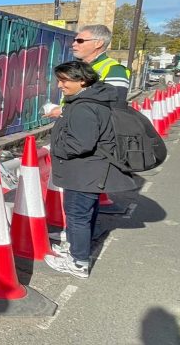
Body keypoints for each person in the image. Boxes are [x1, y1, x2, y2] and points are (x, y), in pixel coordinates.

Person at [43, 61, 139, 278]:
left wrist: (56, 149)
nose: (60, 85)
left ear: (82, 80)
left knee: (77, 215)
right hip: (91, 171)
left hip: (83, 171)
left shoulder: (83, 107)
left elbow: (80, 144)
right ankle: (76, 250)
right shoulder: (93, 100)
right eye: (59, 80)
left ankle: (77, 262)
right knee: (86, 212)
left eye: (64, 80)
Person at [46, 24, 130, 118]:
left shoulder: (115, 70)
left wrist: (63, 110)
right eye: (74, 40)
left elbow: (114, 107)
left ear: (98, 43)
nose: (74, 44)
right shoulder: (79, 66)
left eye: (80, 41)